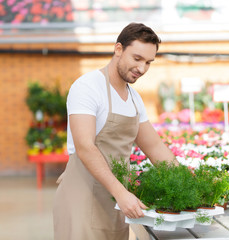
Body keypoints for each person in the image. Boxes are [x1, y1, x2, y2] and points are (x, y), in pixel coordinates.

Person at [53, 23, 176, 240]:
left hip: (116, 201)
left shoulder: (134, 99)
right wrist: (121, 194)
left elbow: (155, 147)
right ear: (118, 49)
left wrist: (188, 181)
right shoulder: (88, 87)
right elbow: (85, 147)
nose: (142, 68)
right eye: (137, 58)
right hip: (83, 197)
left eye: (148, 62)